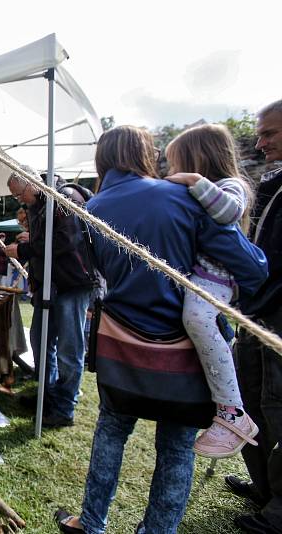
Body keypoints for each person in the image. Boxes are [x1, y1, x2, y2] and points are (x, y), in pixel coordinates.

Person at [55, 126, 267, 534]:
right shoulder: (181, 197)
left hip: (121, 338)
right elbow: (252, 267)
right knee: (176, 449)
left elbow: (97, 271)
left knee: (110, 433)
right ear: (146, 154)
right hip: (185, 347)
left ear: (101, 158)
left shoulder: (93, 206)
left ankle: (91, 522)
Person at [163, 124, 259, 458]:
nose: (173, 171)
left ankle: (232, 411)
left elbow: (230, 211)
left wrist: (193, 181)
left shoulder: (230, 186)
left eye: (178, 163)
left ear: (197, 158)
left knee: (197, 318)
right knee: (200, 323)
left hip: (216, 278)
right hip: (198, 275)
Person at [227, 99, 282, 534]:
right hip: (256, 313)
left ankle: (279, 508)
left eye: (271, 134)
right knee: (251, 399)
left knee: (277, 405)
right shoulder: (273, 182)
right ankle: (264, 485)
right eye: (261, 133)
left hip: (274, 314)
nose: (261, 142)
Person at [5, 172, 97, 428]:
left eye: (19, 192)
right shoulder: (39, 204)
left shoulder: (62, 199)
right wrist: (31, 240)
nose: (19, 199)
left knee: (69, 347)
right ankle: (47, 396)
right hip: (50, 285)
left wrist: (25, 249)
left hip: (71, 283)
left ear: (31, 183)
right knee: (41, 340)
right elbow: (49, 239)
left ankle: (64, 407)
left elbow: (65, 240)